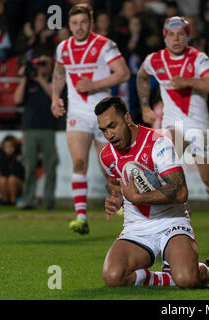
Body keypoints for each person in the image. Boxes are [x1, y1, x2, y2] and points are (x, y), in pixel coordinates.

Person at [95, 96, 209, 289]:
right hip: (137, 227)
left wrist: (137, 197)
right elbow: (115, 184)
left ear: (127, 118)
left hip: (172, 222)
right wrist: (115, 198)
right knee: (113, 277)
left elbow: (180, 193)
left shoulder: (158, 144)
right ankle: (169, 276)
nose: (109, 135)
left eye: (113, 126)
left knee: (188, 279)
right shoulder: (107, 155)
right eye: (103, 130)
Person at [136, 16, 209, 242]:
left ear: (187, 36)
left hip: (200, 126)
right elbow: (141, 76)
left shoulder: (198, 59)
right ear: (165, 36)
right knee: (165, 173)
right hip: (171, 124)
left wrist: (189, 81)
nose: (176, 39)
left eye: (181, 34)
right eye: (171, 34)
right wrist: (145, 106)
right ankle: (171, 222)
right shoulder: (155, 59)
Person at [51, 3, 130, 235]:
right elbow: (58, 73)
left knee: (110, 169)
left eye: (83, 22)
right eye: (74, 23)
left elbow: (123, 72)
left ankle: (126, 207)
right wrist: (55, 97)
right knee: (79, 163)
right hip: (77, 115)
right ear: (69, 25)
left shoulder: (105, 45)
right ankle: (81, 217)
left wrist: (93, 85)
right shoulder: (63, 47)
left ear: (91, 23)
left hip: (104, 115)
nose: (79, 27)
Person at [14, 53, 58, 210]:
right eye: (39, 63)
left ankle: (49, 201)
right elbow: (17, 99)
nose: (41, 66)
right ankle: (28, 200)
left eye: (45, 63)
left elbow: (55, 96)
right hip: (30, 129)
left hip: (48, 129)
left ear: (51, 65)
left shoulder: (54, 81)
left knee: (50, 166)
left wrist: (39, 79)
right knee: (29, 165)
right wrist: (25, 77)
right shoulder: (28, 82)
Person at [0, 135, 25, 205]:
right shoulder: (0, 155)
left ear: (15, 147)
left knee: (11, 179)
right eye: (6, 147)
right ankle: (5, 201)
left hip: (19, 185)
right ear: (3, 147)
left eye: (11, 147)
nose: (8, 149)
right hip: (5, 183)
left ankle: (13, 201)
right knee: (2, 180)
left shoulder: (20, 155)